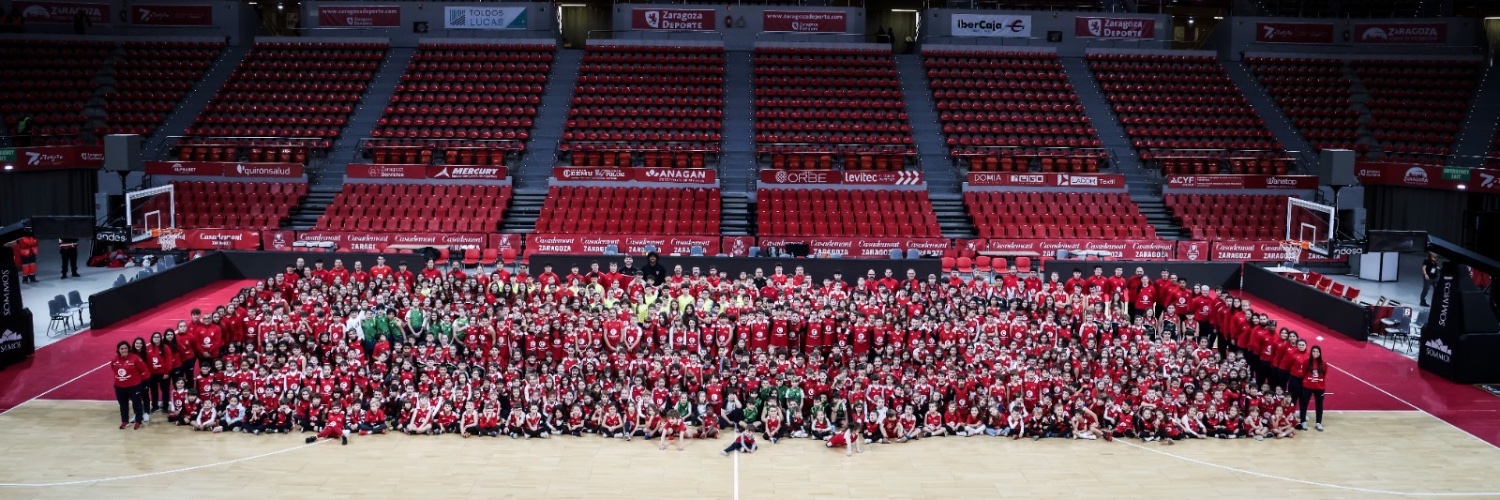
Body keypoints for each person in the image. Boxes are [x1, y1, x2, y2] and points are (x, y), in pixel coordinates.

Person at [110, 341, 149, 429]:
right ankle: (125, 421)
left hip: (134, 386)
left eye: (125, 348)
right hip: (119, 387)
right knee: (123, 404)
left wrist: (144, 383)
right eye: (121, 349)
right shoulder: (114, 360)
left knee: (137, 404)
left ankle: (139, 421)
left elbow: (144, 370)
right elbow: (114, 369)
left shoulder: (135, 358)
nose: (123, 350)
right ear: (118, 350)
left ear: (129, 349)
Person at [1300, 346, 1327, 432]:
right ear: (1311, 352)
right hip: (1308, 386)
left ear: (1320, 353)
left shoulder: (1323, 364)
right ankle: (1303, 421)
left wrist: (1318, 382)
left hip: (1320, 388)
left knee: (1319, 405)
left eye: (1317, 352)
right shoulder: (1306, 362)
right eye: (1314, 351)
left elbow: (1324, 375)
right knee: (1304, 404)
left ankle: (1318, 423)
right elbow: (1303, 373)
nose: (1315, 353)